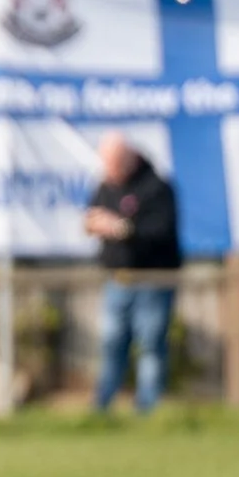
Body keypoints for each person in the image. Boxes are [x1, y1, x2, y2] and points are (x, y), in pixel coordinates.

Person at [84, 132, 182, 414]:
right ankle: (102, 408)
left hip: (152, 280)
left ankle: (147, 410)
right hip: (117, 279)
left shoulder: (156, 188)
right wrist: (94, 224)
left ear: (129, 159)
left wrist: (123, 229)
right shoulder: (105, 186)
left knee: (150, 344)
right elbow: (91, 218)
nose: (110, 170)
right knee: (111, 342)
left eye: (114, 164)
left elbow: (161, 231)